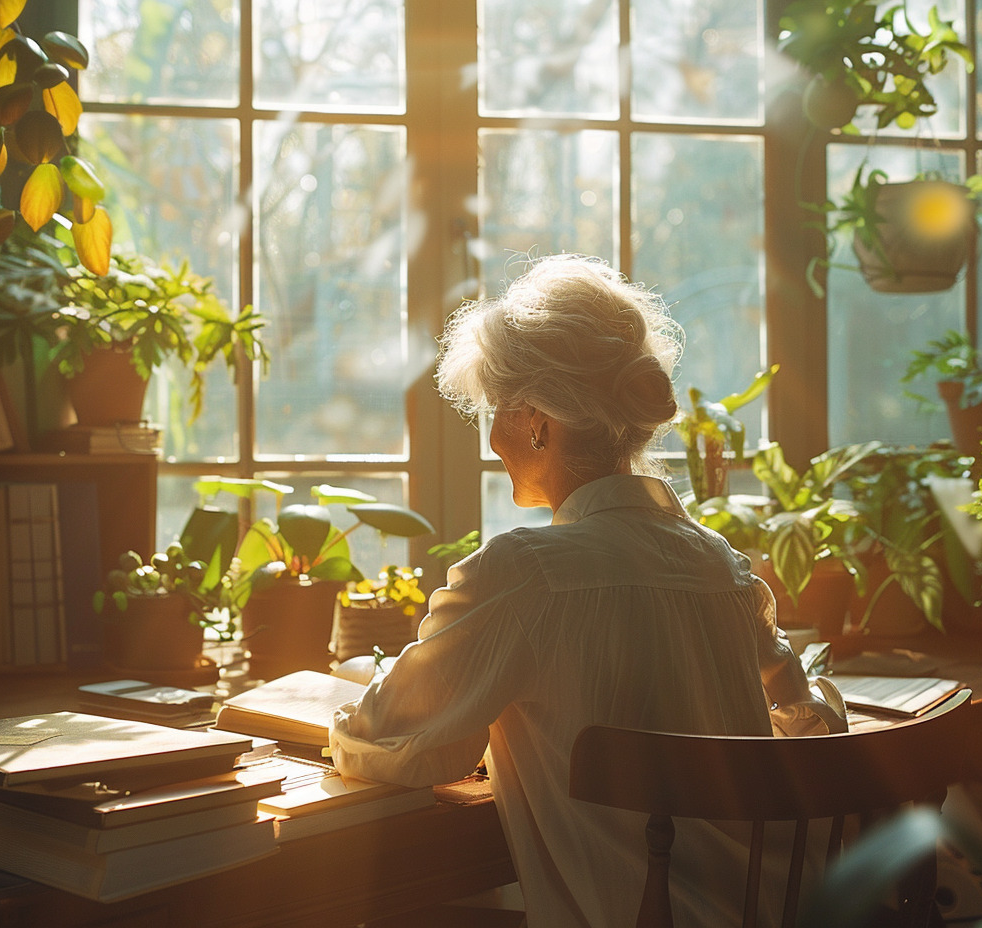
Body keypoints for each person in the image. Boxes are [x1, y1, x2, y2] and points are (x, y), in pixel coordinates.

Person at [329, 254, 846, 928]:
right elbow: (805, 719)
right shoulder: (720, 566)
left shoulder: (525, 575)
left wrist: (346, 709)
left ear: (537, 420)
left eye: (494, 412)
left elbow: (401, 743)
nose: (490, 439)